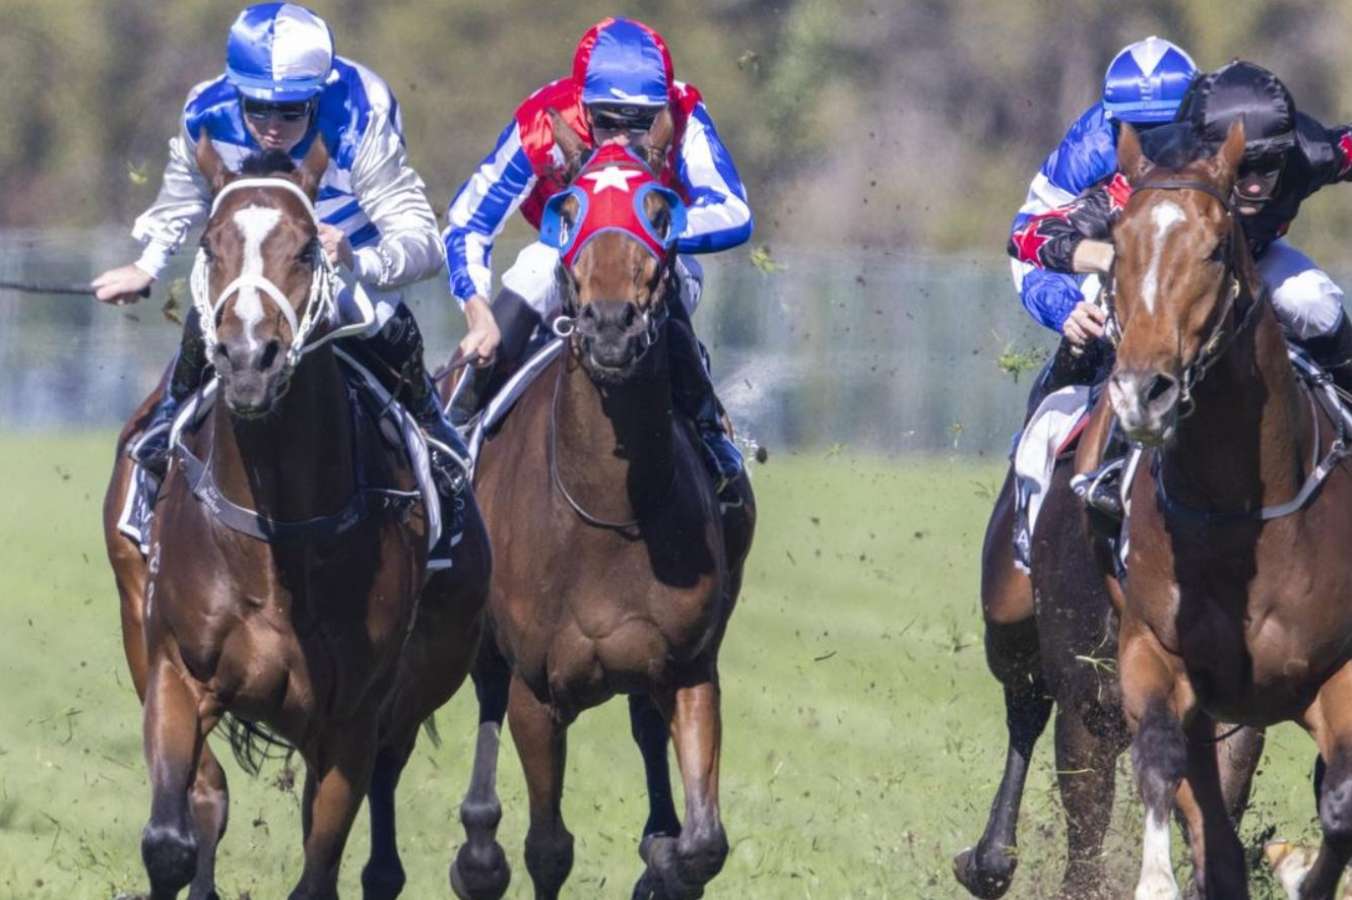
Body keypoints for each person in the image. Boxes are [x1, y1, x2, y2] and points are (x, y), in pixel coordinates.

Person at [92, 2, 466, 492]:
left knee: (377, 316)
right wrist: (147, 265)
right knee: (210, 315)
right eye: (257, 107)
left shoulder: (360, 113)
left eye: (291, 110)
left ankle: (433, 432)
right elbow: (184, 195)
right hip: (252, 252)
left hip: (343, 250)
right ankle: (166, 424)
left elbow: (423, 241)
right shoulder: (206, 112)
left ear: (317, 96)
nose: (272, 126)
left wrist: (357, 258)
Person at [1009, 60, 1352, 512]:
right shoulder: (1166, 172)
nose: (1253, 186)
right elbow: (1026, 235)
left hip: (1252, 261)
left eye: (1269, 167)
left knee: (1314, 301)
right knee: (1125, 330)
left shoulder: (1313, 152)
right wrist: (1112, 258)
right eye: (1244, 168)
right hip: (1175, 273)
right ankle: (1108, 463)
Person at [441, 16, 753, 494]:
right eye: (607, 121)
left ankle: (709, 430)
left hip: (654, 253)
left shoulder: (684, 112)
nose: (622, 139)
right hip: (569, 253)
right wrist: (477, 311)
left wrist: (649, 232)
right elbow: (468, 221)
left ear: (662, 111)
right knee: (535, 267)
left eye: (641, 122)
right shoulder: (544, 120)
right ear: (583, 106)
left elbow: (733, 210)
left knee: (665, 275)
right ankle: (456, 428)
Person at [1009, 37, 1197, 397]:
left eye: (1167, 129)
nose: (1150, 147)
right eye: (1135, 130)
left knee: (1306, 299)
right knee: (1090, 341)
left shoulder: (1221, 131)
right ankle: (1045, 430)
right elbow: (1025, 238)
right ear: (1113, 121)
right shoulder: (1088, 149)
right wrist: (1066, 308)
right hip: (1117, 271)